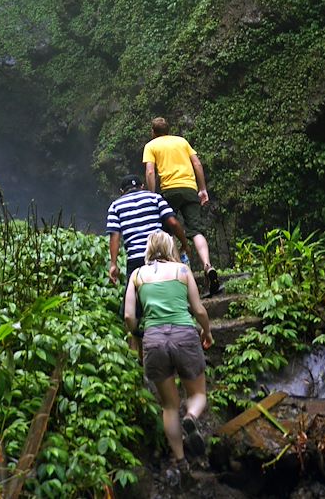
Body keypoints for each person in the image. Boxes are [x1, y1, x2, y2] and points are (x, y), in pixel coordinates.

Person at [124, 230, 213, 483]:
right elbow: (198, 309)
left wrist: (138, 336)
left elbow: (129, 317)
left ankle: (182, 462)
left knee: (168, 406)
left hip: (154, 340)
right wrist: (207, 332)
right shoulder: (182, 271)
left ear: (149, 249)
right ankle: (191, 418)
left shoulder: (137, 275)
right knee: (197, 395)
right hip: (184, 335)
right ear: (170, 246)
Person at [107, 174, 190, 351]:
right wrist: (184, 243)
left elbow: (114, 236)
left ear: (122, 191)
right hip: (160, 253)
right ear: (142, 186)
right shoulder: (155, 197)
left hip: (136, 259)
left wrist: (113, 264)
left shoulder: (116, 205)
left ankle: (138, 348)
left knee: (133, 309)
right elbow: (173, 222)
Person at [143, 117, 221, 296]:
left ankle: (179, 274)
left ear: (153, 132)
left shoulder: (151, 145)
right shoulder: (182, 141)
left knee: (167, 233)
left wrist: (152, 195)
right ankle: (208, 266)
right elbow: (197, 164)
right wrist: (202, 189)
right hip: (189, 188)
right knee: (197, 231)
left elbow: (149, 171)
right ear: (168, 129)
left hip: (169, 191)